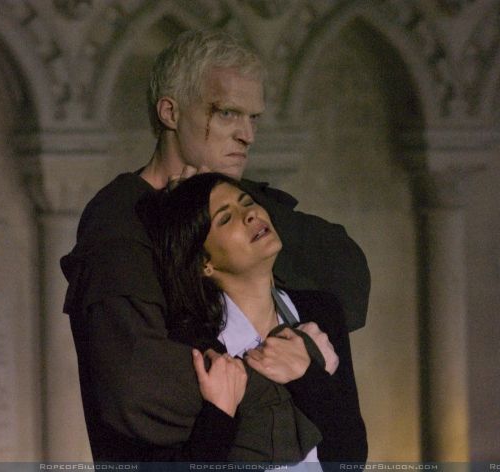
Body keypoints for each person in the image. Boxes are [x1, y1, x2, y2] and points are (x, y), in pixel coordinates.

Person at [60, 29, 370, 461]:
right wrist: (301, 373)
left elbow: (349, 280)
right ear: (170, 112)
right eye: (227, 113)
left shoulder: (248, 203)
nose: (247, 135)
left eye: (253, 117)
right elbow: (139, 391)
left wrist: (227, 201)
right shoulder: (119, 222)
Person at [139, 172, 366, 465]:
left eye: (247, 202)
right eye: (225, 218)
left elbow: (351, 458)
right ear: (204, 263)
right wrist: (219, 413)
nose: (250, 214)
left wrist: (307, 375)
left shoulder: (320, 310)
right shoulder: (191, 345)